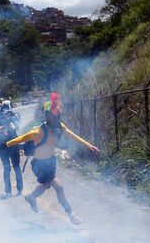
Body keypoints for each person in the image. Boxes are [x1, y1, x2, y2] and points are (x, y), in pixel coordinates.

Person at [5, 92, 100, 225]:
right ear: (48, 116)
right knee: (58, 187)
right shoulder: (39, 131)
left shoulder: (60, 127)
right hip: (39, 165)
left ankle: (31, 197)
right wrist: (7, 144)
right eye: (55, 116)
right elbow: (22, 138)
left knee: (46, 186)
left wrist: (89, 145)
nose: (57, 119)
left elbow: (73, 136)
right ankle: (72, 215)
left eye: (59, 116)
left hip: (51, 161)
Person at [0, 107, 23, 198]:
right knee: (7, 168)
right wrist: (4, 125)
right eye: (5, 114)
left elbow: (17, 127)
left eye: (8, 114)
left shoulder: (13, 119)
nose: (6, 116)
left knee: (16, 167)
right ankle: (8, 191)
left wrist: (12, 120)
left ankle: (20, 188)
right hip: (3, 146)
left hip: (13, 144)